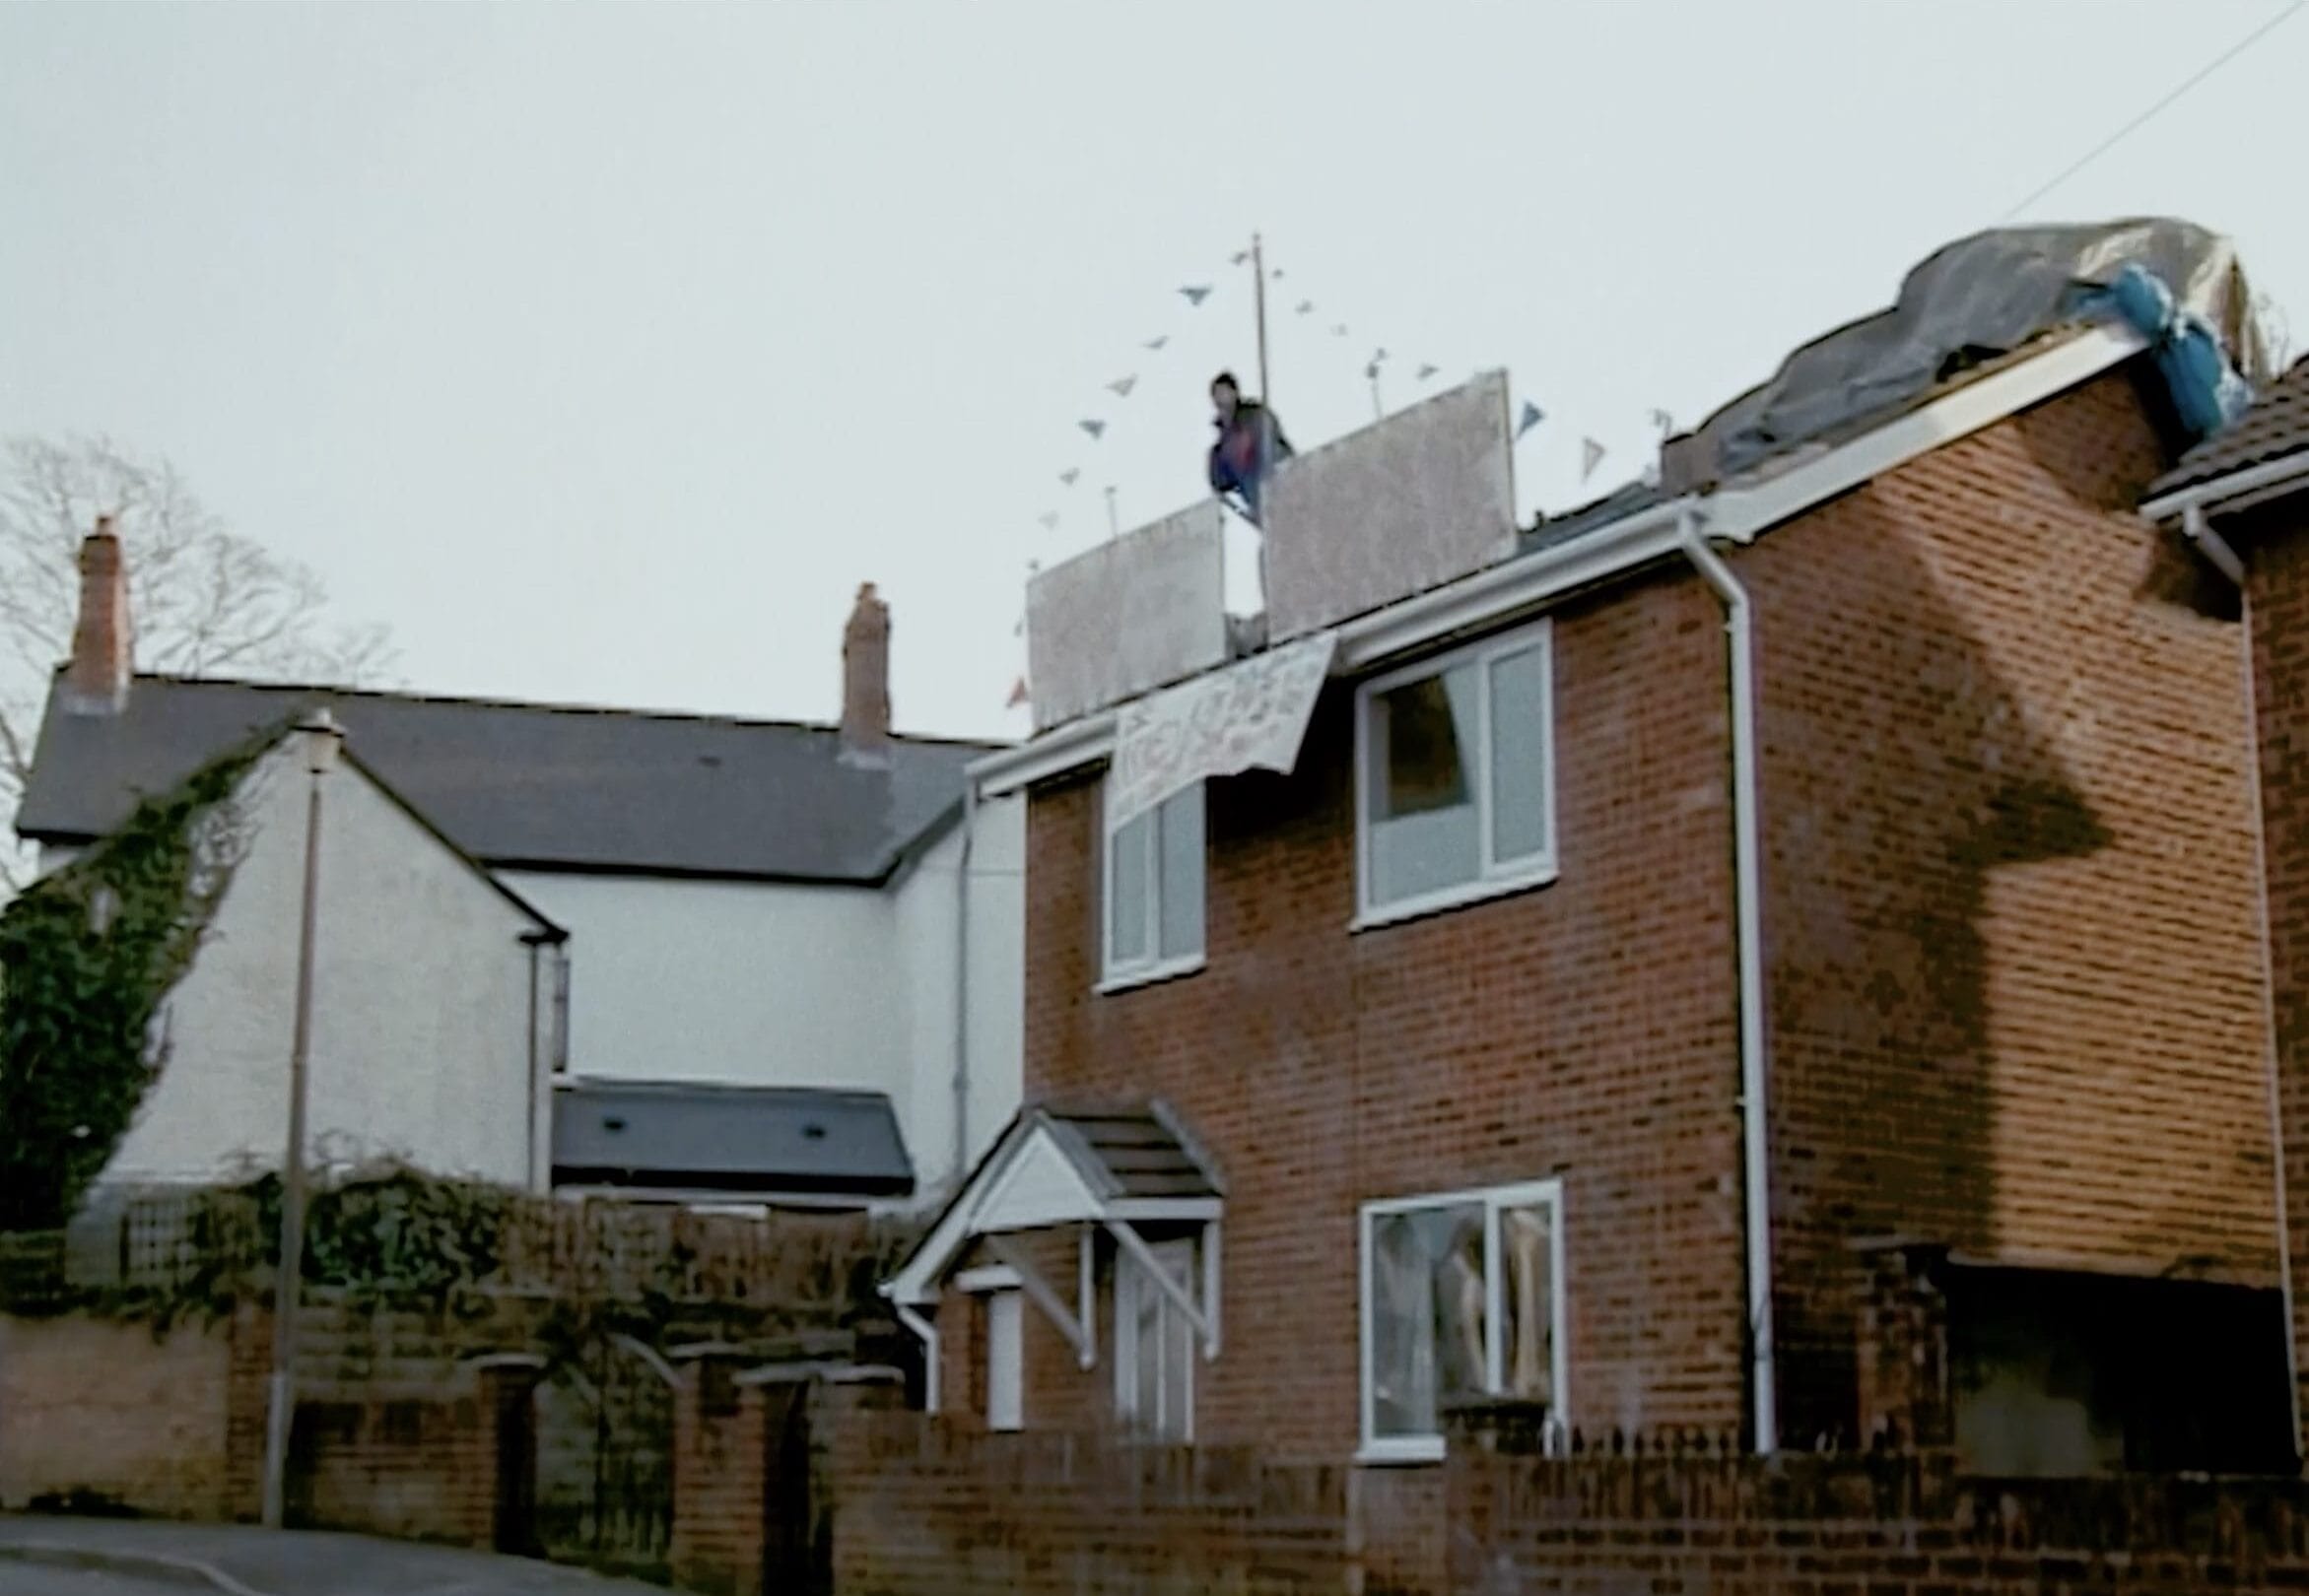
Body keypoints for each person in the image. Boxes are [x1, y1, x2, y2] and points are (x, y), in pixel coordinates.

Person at [1206, 370, 1293, 524]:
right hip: (1258, 500)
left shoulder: (1254, 416)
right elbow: (1221, 482)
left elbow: (1272, 444)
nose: (1220, 398)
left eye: (1223, 392)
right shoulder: (1221, 447)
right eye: (1216, 394)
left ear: (1234, 392)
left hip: (1281, 486)